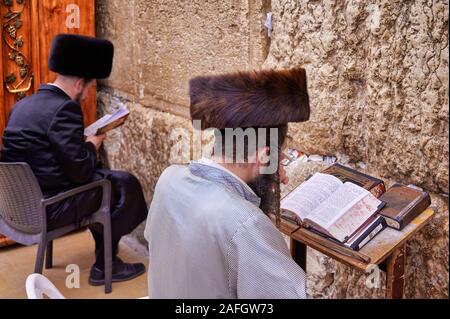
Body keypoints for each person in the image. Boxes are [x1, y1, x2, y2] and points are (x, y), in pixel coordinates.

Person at [144, 68, 310, 298]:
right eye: (281, 155)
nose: (282, 164)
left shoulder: (168, 179)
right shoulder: (245, 223)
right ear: (263, 155)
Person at [1, 34, 147, 285]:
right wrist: (92, 144)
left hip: (18, 209)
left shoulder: (24, 106)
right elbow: (80, 173)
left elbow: (42, 151)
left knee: (108, 183)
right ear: (80, 83)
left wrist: (81, 140)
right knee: (124, 185)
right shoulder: (65, 109)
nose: (88, 93)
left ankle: (105, 257)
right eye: (90, 87)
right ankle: (105, 265)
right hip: (49, 207)